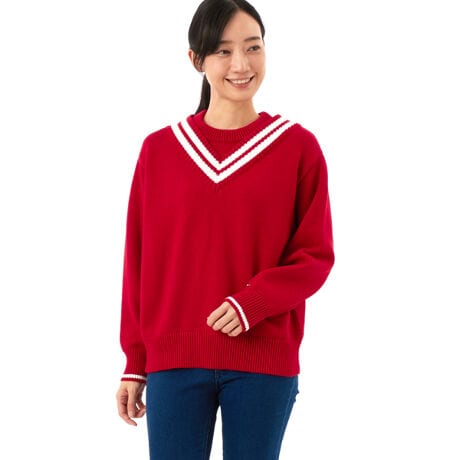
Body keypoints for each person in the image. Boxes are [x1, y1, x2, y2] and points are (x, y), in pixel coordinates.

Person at [115, 0, 334, 458]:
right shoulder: (159, 151)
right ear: (196, 59)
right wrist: (135, 362)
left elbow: (315, 256)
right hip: (173, 361)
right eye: (223, 51)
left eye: (253, 47)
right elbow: (138, 260)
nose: (241, 64)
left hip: (264, 361)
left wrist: (253, 302)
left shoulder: (298, 148)